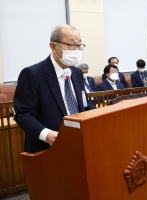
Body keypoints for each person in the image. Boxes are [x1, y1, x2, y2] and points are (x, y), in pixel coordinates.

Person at [13, 24, 96, 153]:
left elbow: (84, 104)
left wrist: (102, 116)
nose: (76, 50)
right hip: (48, 149)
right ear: (53, 46)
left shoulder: (76, 72)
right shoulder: (33, 74)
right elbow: (23, 114)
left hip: (79, 142)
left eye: (79, 45)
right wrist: (47, 135)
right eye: (70, 45)